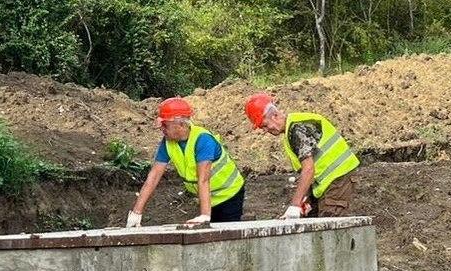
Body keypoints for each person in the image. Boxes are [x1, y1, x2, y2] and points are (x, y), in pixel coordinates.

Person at [125, 98, 245, 227]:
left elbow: (203, 178)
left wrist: (204, 215)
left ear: (181, 124)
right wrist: (136, 213)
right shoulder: (167, 143)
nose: (162, 129)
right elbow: (153, 178)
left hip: (229, 194)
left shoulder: (203, 140)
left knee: (225, 235)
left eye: (165, 125)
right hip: (207, 197)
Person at [244, 93, 360, 219]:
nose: (266, 130)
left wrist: (295, 204)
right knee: (313, 222)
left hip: (338, 179)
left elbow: (308, 169)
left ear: (275, 115)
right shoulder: (292, 128)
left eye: (265, 125)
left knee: (329, 230)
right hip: (330, 181)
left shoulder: (296, 129)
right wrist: (306, 200)